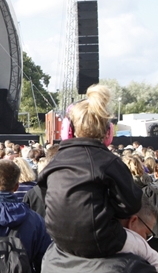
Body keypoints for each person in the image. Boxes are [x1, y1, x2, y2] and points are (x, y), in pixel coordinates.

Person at [38, 84, 143, 258]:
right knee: (152, 256)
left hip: (58, 238)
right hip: (101, 240)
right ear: (108, 132)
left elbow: (47, 199)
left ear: (68, 131)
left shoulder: (53, 163)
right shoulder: (110, 162)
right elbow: (131, 204)